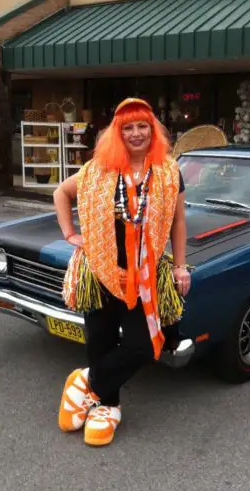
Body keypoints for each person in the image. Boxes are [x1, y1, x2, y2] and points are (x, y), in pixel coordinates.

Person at [53, 98, 191, 447]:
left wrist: (179, 265)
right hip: (99, 269)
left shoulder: (169, 171)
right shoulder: (98, 169)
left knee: (143, 347)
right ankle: (107, 406)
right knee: (99, 339)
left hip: (144, 273)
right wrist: (71, 234)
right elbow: (61, 192)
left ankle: (88, 381)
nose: (135, 133)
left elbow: (178, 221)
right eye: (127, 127)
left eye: (142, 126)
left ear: (153, 130)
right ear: (117, 133)